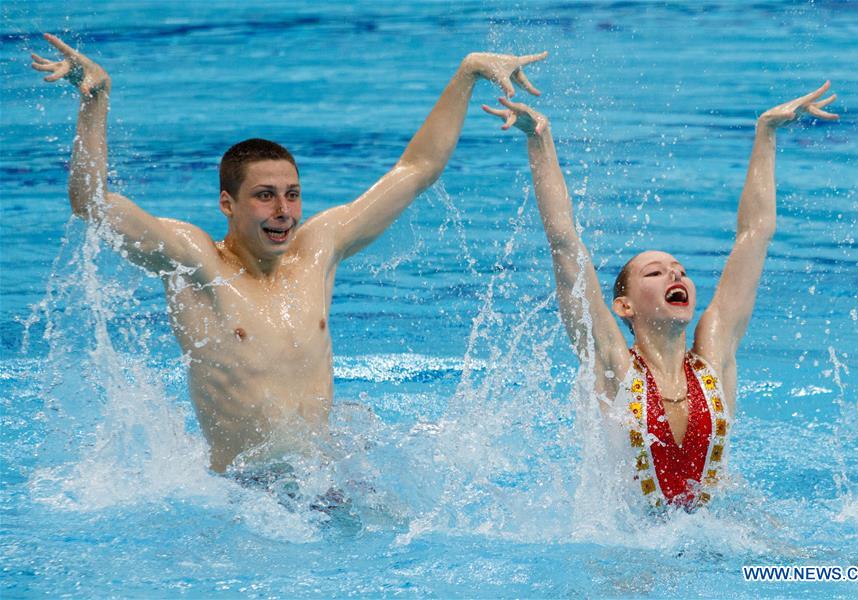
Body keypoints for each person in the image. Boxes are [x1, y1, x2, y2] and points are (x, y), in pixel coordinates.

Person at [30, 33, 548, 474]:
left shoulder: (317, 250)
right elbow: (91, 204)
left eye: (292, 194)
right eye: (265, 196)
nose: (284, 211)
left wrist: (469, 72)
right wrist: (95, 101)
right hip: (243, 495)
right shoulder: (195, 262)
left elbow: (417, 170)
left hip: (326, 479)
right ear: (227, 204)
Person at [483, 82, 838, 509]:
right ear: (624, 307)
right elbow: (564, 243)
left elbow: (754, 237)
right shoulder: (612, 363)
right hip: (631, 552)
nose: (676, 274)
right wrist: (539, 139)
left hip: (717, 537)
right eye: (655, 272)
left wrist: (765, 134)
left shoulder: (714, 353)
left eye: (681, 271)